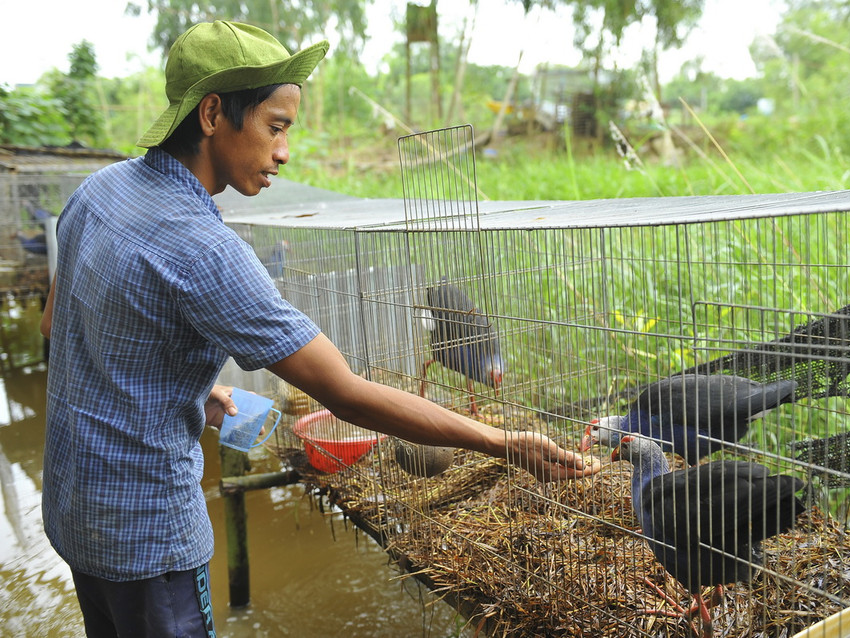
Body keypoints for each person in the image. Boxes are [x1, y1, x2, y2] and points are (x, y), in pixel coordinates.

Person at [40, 20, 598, 638]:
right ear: (212, 114)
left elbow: (57, 323)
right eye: (275, 128)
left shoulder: (98, 190)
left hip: (73, 506)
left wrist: (187, 390)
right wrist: (504, 443)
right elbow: (346, 392)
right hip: (147, 536)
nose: (284, 152)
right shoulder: (204, 248)